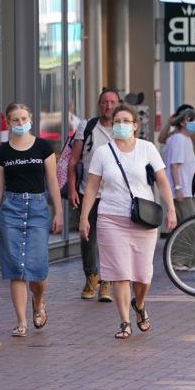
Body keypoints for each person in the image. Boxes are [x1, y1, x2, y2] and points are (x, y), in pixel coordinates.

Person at [79, 104, 177, 338]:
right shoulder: (103, 152)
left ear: (135, 125)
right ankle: (124, 322)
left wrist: (171, 209)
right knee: (120, 273)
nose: (121, 125)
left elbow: (162, 180)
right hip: (111, 218)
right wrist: (84, 217)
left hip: (142, 220)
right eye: (117, 121)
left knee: (143, 276)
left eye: (125, 121)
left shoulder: (147, 148)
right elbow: (92, 187)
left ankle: (140, 304)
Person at [0, 102, 64, 337]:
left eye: (23, 118)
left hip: (38, 208)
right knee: (15, 269)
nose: (20, 123)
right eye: (15, 120)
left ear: (30, 118)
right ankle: (21, 322)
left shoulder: (43, 147)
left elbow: (52, 180)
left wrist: (59, 212)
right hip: (11, 209)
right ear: (8, 122)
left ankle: (38, 301)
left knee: (38, 270)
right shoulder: (2, 152)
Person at [67, 88, 120, 302]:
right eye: (105, 102)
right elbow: (73, 161)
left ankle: (106, 282)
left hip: (115, 194)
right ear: (100, 105)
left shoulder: (123, 128)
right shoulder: (87, 127)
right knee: (87, 236)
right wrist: (71, 189)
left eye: (113, 102)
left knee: (109, 238)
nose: (108, 106)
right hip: (88, 192)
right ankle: (91, 276)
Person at [163, 108, 195, 257]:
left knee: (190, 225)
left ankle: (189, 260)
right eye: (189, 120)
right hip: (183, 189)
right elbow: (174, 165)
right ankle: (180, 259)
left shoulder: (186, 139)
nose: (193, 123)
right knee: (186, 226)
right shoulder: (178, 139)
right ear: (181, 122)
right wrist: (178, 188)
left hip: (189, 189)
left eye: (194, 120)